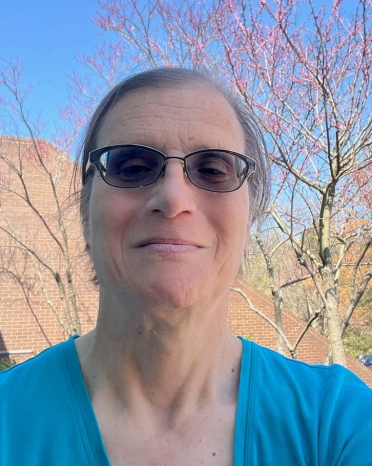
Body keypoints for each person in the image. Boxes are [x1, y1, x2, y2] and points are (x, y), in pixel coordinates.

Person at [1, 68, 372, 466]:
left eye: (213, 170)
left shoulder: (339, 423)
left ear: (250, 219)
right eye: (133, 167)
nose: (174, 197)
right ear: (85, 213)